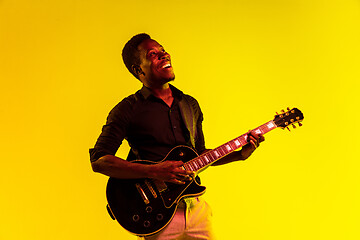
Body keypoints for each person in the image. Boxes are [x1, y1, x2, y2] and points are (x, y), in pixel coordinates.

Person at [89, 33, 264, 240]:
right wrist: (154, 171)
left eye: (162, 49)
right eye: (152, 54)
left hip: (196, 208)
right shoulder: (127, 109)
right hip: (157, 214)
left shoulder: (189, 104)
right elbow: (99, 161)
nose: (163, 55)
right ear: (138, 70)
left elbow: (199, 155)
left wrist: (239, 155)